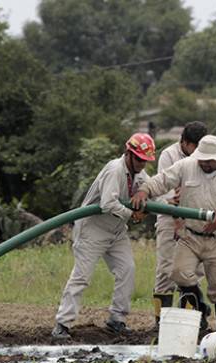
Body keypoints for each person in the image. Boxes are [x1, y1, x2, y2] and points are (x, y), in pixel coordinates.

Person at [132, 135, 216, 331]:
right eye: (202, 160)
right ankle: (199, 313)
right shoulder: (186, 166)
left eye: (209, 161)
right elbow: (162, 181)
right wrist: (144, 191)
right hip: (191, 236)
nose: (205, 164)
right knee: (178, 273)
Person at [51, 133, 155, 340]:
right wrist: (132, 214)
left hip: (116, 231)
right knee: (82, 276)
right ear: (129, 154)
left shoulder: (141, 176)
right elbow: (108, 203)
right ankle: (62, 324)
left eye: (145, 161)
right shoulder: (115, 170)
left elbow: (155, 190)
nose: (142, 164)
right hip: (93, 229)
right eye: (139, 159)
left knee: (127, 269)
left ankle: (117, 319)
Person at [152, 121, 208, 328]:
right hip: (169, 217)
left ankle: (190, 320)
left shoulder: (205, 156)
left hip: (194, 218)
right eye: (194, 147)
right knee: (166, 270)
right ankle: (161, 321)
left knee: (191, 271)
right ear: (184, 142)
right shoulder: (169, 155)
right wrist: (176, 219)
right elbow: (168, 194)